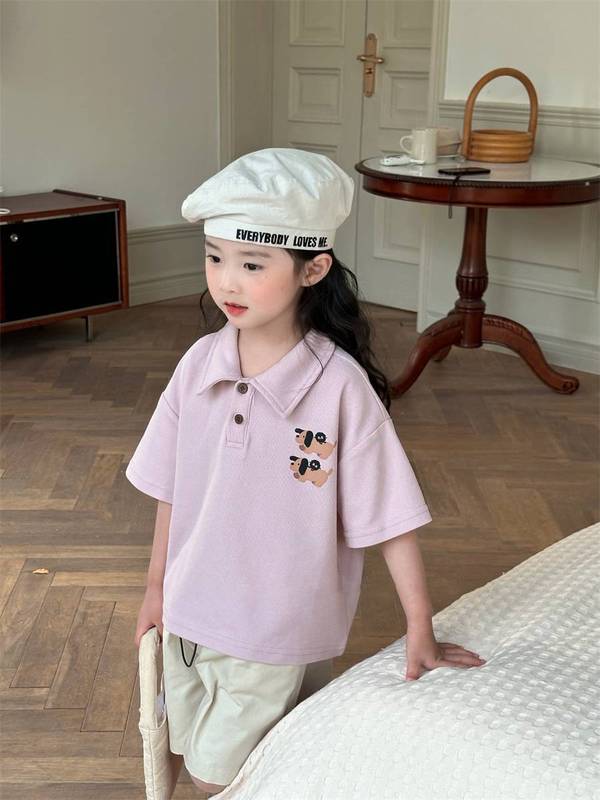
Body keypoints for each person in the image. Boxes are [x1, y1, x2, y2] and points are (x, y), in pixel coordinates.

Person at [128, 148, 485, 797]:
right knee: (177, 746)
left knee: (218, 778)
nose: (227, 282)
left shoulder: (340, 387)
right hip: (188, 610)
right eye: (214, 257)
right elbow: (169, 488)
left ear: (313, 269)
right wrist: (157, 587)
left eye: (252, 264)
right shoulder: (198, 364)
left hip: (275, 626)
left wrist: (420, 627)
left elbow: (390, 515)